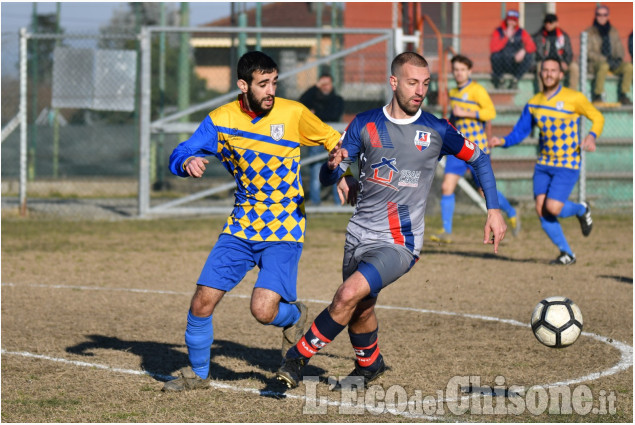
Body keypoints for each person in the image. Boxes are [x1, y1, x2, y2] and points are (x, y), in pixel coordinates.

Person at [275, 52, 507, 389]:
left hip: (400, 242)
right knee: (360, 308)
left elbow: (480, 159)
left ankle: (296, 360)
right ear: (394, 82)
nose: (420, 91)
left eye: (425, 84)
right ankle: (370, 365)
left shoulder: (436, 129)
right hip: (358, 234)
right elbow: (332, 175)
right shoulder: (364, 123)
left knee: (346, 295)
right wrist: (334, 168)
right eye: (413, 82)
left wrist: (494, 209)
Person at [163, 51, 343, 391]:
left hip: (284, 223)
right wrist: (186, 163)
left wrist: (340, 167)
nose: (270, 90)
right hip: (242, 223)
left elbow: (335, 142)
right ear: (243, 85)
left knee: (262, 311)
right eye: (263, 84)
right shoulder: (222, 120)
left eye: (274, 82)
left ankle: (295, 315)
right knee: (202, 299)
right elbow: (180, 151)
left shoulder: (293, 113)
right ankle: (199, 376)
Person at [489, 57, 604, 265]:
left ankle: (581, 209)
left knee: (553, 208)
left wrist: (592, 135)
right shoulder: (534, 102)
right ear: (540, 74)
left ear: (561, 74)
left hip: (567, 164)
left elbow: (598, 117)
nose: (549, 73)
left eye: (553, 70)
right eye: (545, 70)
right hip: (543, 164)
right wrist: (502, 141)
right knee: (542, 211)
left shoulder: (574, 98)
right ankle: (567, 254)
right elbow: (521, 132)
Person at [431, 54, 519, 244]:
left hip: (476, 148)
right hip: (458, 147)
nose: (459, 73)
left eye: (462, 70)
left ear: (469, 71)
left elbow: (490, 112)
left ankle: (511, 211)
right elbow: (456, 119)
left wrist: (466, 112)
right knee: (447, 186)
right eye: (456, 70)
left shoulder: (477, 90)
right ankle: (446, 231)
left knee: (484, 191)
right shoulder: (453, 92)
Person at [299, 72, 345, 205]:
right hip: (316, 140)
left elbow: (334, 114)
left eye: (327, 84)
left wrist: (315, 114)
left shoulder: (337, 99)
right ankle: (315, 202)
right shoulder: (313, 97)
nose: (325, 87)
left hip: (333, 139)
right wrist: (315, 87)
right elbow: (300, 103)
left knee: (336, 168)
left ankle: (338, 202)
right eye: (322, 84)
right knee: (315, 171)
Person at [586, 5, 633, 105]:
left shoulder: (613, 31)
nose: (602, 17)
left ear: (608, 16)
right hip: (596, 64)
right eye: (599, 15)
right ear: (595, 16)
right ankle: (597, 95)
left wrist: (618, 59)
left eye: (604, 15)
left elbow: (619, 48)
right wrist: (605, 59)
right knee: (604, 66)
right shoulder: (589, 32)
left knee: (629, 67)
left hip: (612, 62)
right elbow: (588, 52)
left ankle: (623, 95)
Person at [490, 9, 536, 89]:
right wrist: (506, 38)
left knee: (529, 56)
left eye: (514, 20)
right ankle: (500, 80)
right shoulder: (498, 31)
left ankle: (515, 80)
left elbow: (532, 46)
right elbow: (494, 48)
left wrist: (523, 50)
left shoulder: (521, 32)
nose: (511, 22)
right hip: (503, 62)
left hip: (515, 62)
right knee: (495, 56)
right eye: (510, 20)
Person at [533, 13, 579, 91]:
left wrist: (566, 62)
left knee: (574, 67)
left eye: (550, 22)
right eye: (546, 22)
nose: (548, 25)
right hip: (546, 62)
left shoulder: (563, 35)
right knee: (539, 67)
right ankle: (543, 94)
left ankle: (572, 93)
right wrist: (549, 62)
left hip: (561, 62)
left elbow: (569, 52)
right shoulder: (540, 36)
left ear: (556, 23)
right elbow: (539, 53)